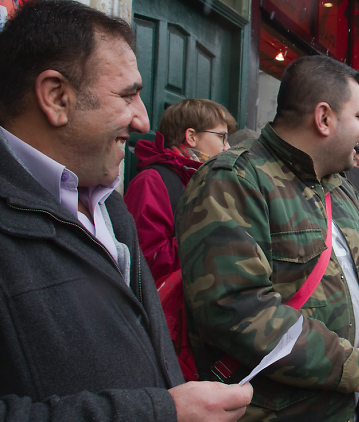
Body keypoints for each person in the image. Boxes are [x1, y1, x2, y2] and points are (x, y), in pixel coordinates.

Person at [0, 2, 252, 421]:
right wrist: (162, 412)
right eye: (128, 95)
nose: (143, 120)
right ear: (56, 97)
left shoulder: (110, 209)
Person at [176, 55, 359, 421]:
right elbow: (236, 311)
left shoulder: (342, 190)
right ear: (324, 118)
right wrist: (352, 366)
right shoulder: (233, 181)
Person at [124, 98, 236, 283]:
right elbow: (146, 262)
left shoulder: (205, 179)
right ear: (191, 136)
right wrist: (215, 233)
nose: (227, 147)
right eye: (221, 137)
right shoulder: (151, 182)